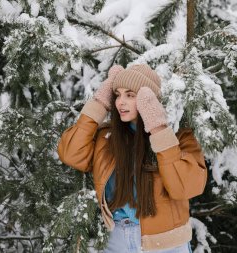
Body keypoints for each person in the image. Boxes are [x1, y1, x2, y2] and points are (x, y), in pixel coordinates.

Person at [57, 64, 207, 253]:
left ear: (150, 100)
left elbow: (186, 186)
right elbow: (71, 154)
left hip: (165, 244)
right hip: (116, 239)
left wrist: (158, 128)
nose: (120, 102)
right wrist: (100, 102)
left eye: (130, 95)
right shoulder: (107, 137)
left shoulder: (178, 136)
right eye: (117, 95)